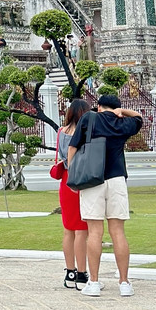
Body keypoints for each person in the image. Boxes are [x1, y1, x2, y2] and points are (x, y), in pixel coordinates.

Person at [67, 94, 143, 298]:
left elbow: (73, 147)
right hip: (117, 178)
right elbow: (139, 117)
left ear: (99, 106)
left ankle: (93, 281)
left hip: (93, 179)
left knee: (95, 232)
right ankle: (124, 283)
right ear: (117, 108)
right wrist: (122, 112)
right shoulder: (123, 124)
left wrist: (74, 176)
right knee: (118, 231)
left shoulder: (89, 118)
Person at [56, 99, 90, 290]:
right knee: (81, 230)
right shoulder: (83, 132)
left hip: (65, 180)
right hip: (80, 178)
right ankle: (82, 274)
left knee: (69, 229)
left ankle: (70, 271)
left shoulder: (61, 131)